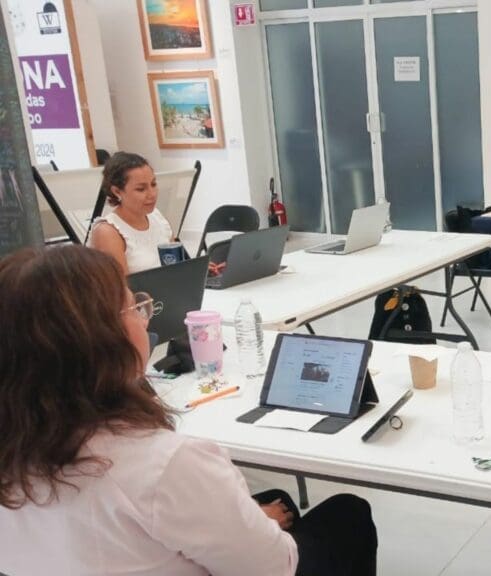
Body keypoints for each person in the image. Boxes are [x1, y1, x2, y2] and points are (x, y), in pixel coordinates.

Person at [0, 246, 377, 575]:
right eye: (133, 307)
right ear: (102, 340)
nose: (145, 316)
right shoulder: (166, 464)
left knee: (277, 498)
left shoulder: (17, 444)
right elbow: (276, 567)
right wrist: (258, 531)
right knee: (348, 514)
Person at [88, 151, 173, 274]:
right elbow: (119, 284)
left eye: (153, 184)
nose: (152, 194)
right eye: (141, 189)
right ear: (117, 191)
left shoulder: (156, 216)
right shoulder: (107, 232)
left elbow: (179, 264)